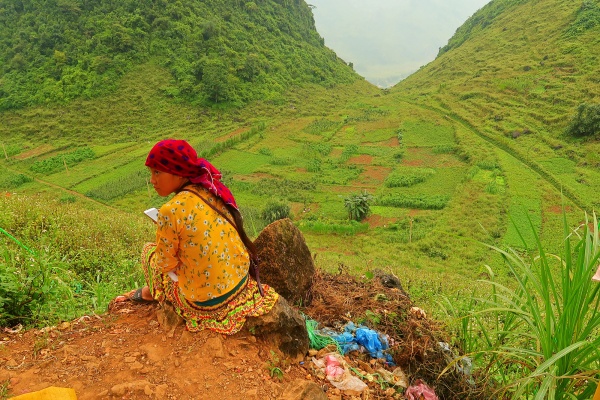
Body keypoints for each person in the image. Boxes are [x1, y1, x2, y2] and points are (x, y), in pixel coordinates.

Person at [115, 139, 279, 335]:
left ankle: (152, 293)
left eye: (157, 172)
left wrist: (164, 233)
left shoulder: (170, 210)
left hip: (207, 301)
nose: (152, 180)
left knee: (149, 252)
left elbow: (165, 264)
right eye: (151, 173)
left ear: (177, 172)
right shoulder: (211, 188)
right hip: (238, 285)